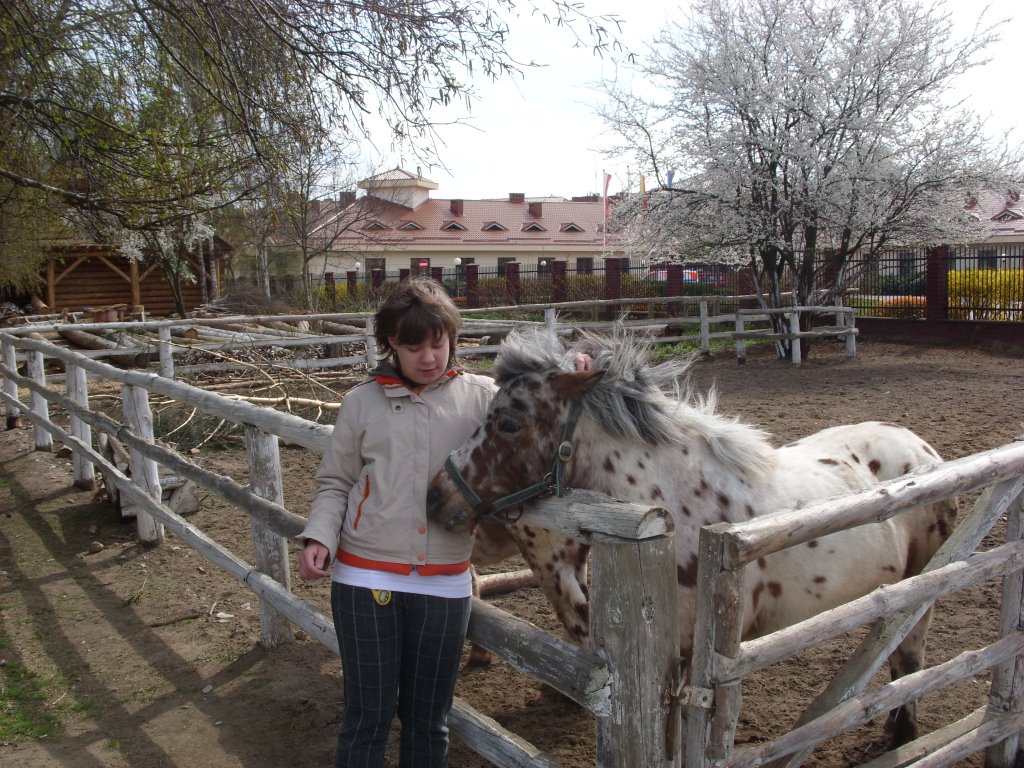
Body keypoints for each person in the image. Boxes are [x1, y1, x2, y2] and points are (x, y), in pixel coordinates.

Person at [298, 277, 496, 768]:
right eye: (414, 347)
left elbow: (545, 406)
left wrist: (578, 366)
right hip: (364, 578)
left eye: (438, 343)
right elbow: (336, 482)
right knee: (367, 716)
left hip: (446, 583)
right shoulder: (361, 403)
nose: (429, 357)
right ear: (391, 344)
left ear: (451, 338)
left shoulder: (485, 399)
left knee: (429, 721)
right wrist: (320, 535)